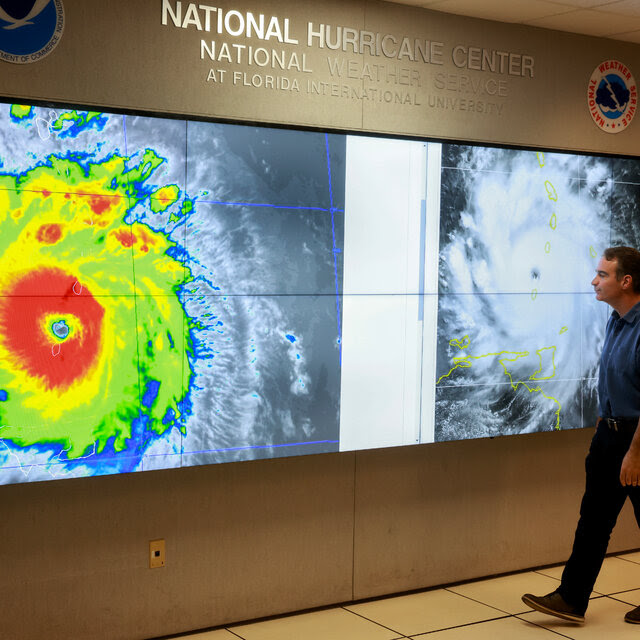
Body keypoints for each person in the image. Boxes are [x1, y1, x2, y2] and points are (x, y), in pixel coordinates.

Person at [522, 245, 640, 625]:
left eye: (602, 275)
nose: (594, 281)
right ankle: (571, 600)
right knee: (593, 521)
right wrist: (606, 421)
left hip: (637, 442)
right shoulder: (617, 320)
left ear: (626, 281)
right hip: (610, 436)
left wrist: (635, 453)